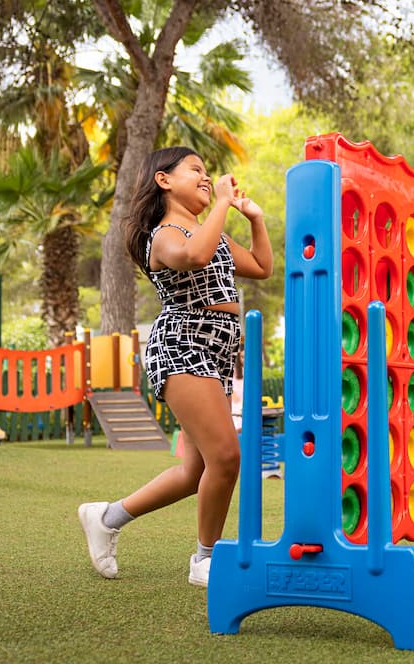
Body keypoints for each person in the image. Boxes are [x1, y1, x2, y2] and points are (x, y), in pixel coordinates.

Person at [78, 146, 273, 587]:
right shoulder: (165, 233)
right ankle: (205, 560)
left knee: (196, 471)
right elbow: (192, 257)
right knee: (227, 456)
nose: (205, 177)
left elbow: (262, 266)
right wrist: (222, 202)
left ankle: (106, 517)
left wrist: (255, 219)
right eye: (195, 170)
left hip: (219, 350)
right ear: (164, 180)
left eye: (207, 171)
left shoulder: (212, 232)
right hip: (183, 344)